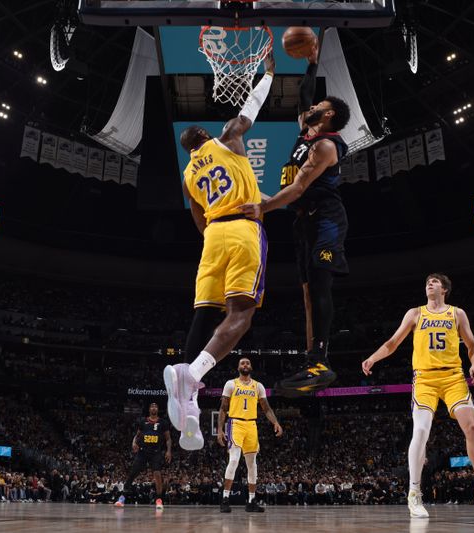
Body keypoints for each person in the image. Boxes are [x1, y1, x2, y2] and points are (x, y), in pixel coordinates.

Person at [164, 52, 276, 450]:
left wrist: (214, 237)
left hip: (212, 237)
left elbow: (197, 218)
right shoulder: (228, 136)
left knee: (204, 312)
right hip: (243, 229)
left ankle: (188, 399)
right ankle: (193, 376)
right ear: (205, 135)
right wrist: (267, 75)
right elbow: (251, 108)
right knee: (241, 314)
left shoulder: (188, 175)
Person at [240, 46, 351, 395]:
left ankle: (321, 359)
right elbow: (305, 94)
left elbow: (301, 186)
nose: (312, 105)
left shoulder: (326, 146)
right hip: (303, 222)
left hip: (327, 220)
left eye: (320, 105)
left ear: (329, 113)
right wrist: (312, 62)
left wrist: (265, 206)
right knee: (305, 293)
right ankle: (310, 361)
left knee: (319, 285)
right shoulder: (307, 131)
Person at [361, 274, 474, 518]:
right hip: (424, 379)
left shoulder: (457, 313)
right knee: (421, 431)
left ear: (444, 289)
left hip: (453, 377)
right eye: (427, 281)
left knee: (473, 428)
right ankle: (414, 493)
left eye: (435, 282)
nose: (429, 284)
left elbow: (472, 346)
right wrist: (373, 357)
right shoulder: (415, 313)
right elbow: (393, 343)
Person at [216, 358, 282, 513]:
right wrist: (220, 429)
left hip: (252, 425)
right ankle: (225, 499)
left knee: (252, 465)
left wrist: (276, 422)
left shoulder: (258, 386)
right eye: (242, 363)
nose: (245, 365)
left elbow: (266, 408)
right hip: (235, 424)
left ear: (251, 367)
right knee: (233, 460)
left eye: (247, 363)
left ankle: (252, 501)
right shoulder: (231, 384)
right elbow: (223, 408)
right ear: (238, 367)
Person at [115, 402, 172, 510]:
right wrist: (133, 443)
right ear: (149, 409)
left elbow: (168, 439)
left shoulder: (163, 423)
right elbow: (137, 436)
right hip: (143, 452)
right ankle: (122, 498)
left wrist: (168, 451)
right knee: (132, 474)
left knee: (157, 474)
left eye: (156, 406)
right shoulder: (143, 422)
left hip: (156, 452)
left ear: (158, 409)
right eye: (152, 406)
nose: (154, 408)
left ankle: (159, 499)